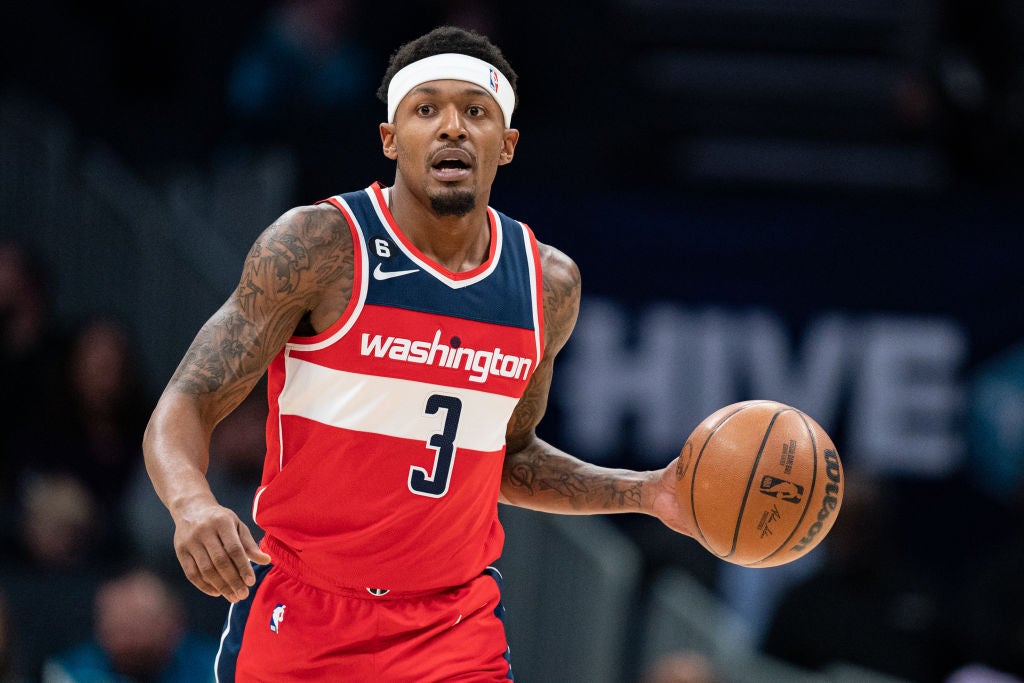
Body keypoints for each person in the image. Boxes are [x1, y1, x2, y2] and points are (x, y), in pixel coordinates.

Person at [142, 25, 692, 681]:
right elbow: (188, 400)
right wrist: (192, 503)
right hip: (306, 611)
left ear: (507, 144)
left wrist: (649, 492)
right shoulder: (319, 246)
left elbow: (510, 458)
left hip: (452, 630)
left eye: (476, 111)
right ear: (389, 138)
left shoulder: (546, 286)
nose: (452, 127)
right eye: (426, 108)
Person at [41, 568, 219, 683]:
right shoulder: (68, 672)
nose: (130, 639)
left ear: (175, 622)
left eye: (140, 622)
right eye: (120, 626)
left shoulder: (217, 666)